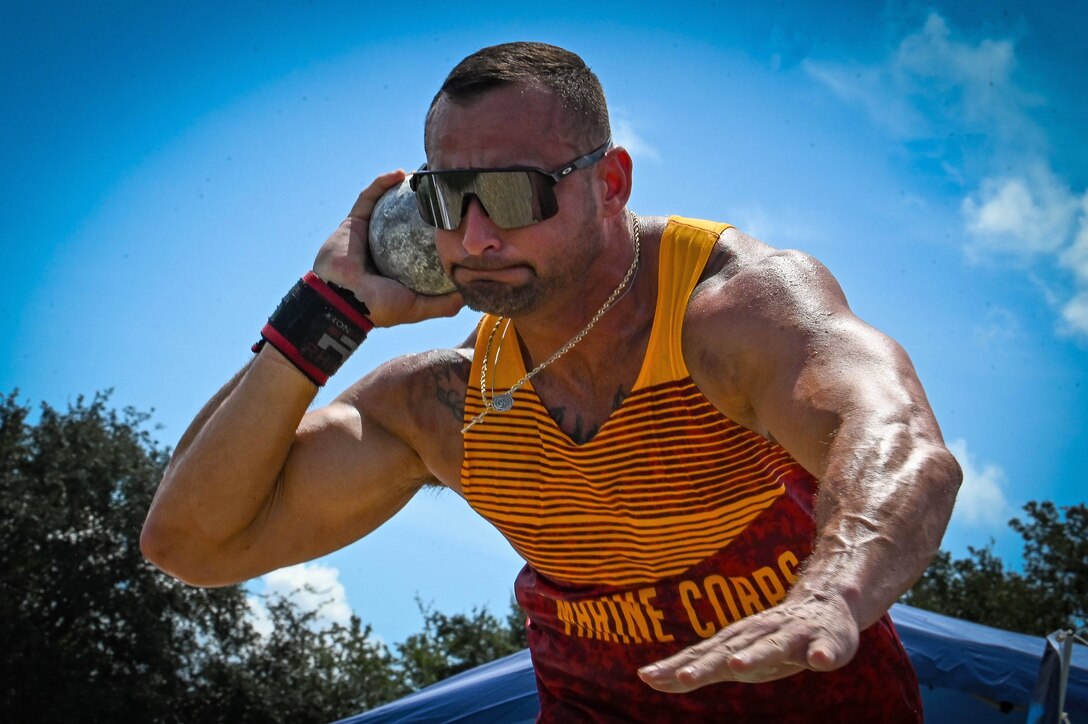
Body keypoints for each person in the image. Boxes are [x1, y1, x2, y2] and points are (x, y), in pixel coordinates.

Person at [141, 41, 962, 721]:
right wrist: (325, 312)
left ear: (610, 185)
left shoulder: (725, 311)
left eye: (509, 192)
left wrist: (829, 596)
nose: (476, 236)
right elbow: (193, 542)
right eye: (448, 196)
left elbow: (900, 440)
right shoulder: (445, 403)